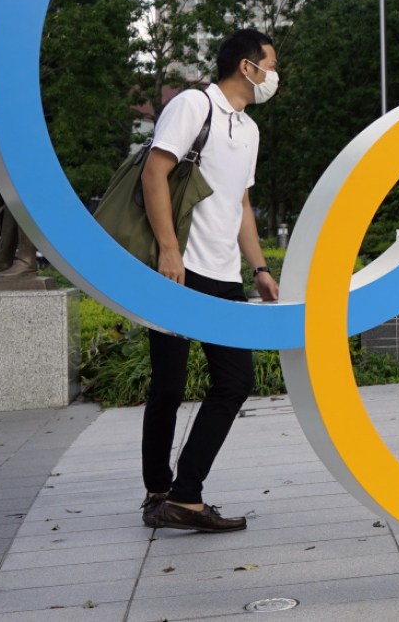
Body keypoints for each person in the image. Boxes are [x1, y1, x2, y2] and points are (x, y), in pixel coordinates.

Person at [139, 28, 280, 533]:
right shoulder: (194, 106)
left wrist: (259, 268)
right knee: (169, 386)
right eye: (270, 64)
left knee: (235, 382)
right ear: (247, 66)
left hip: (223, 276)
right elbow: (154, 174)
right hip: (178, 272)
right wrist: (170, 252)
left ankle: (184, 494)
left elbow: (240, 203)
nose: (273, 76)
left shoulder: (249, 130)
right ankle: (161, 492)